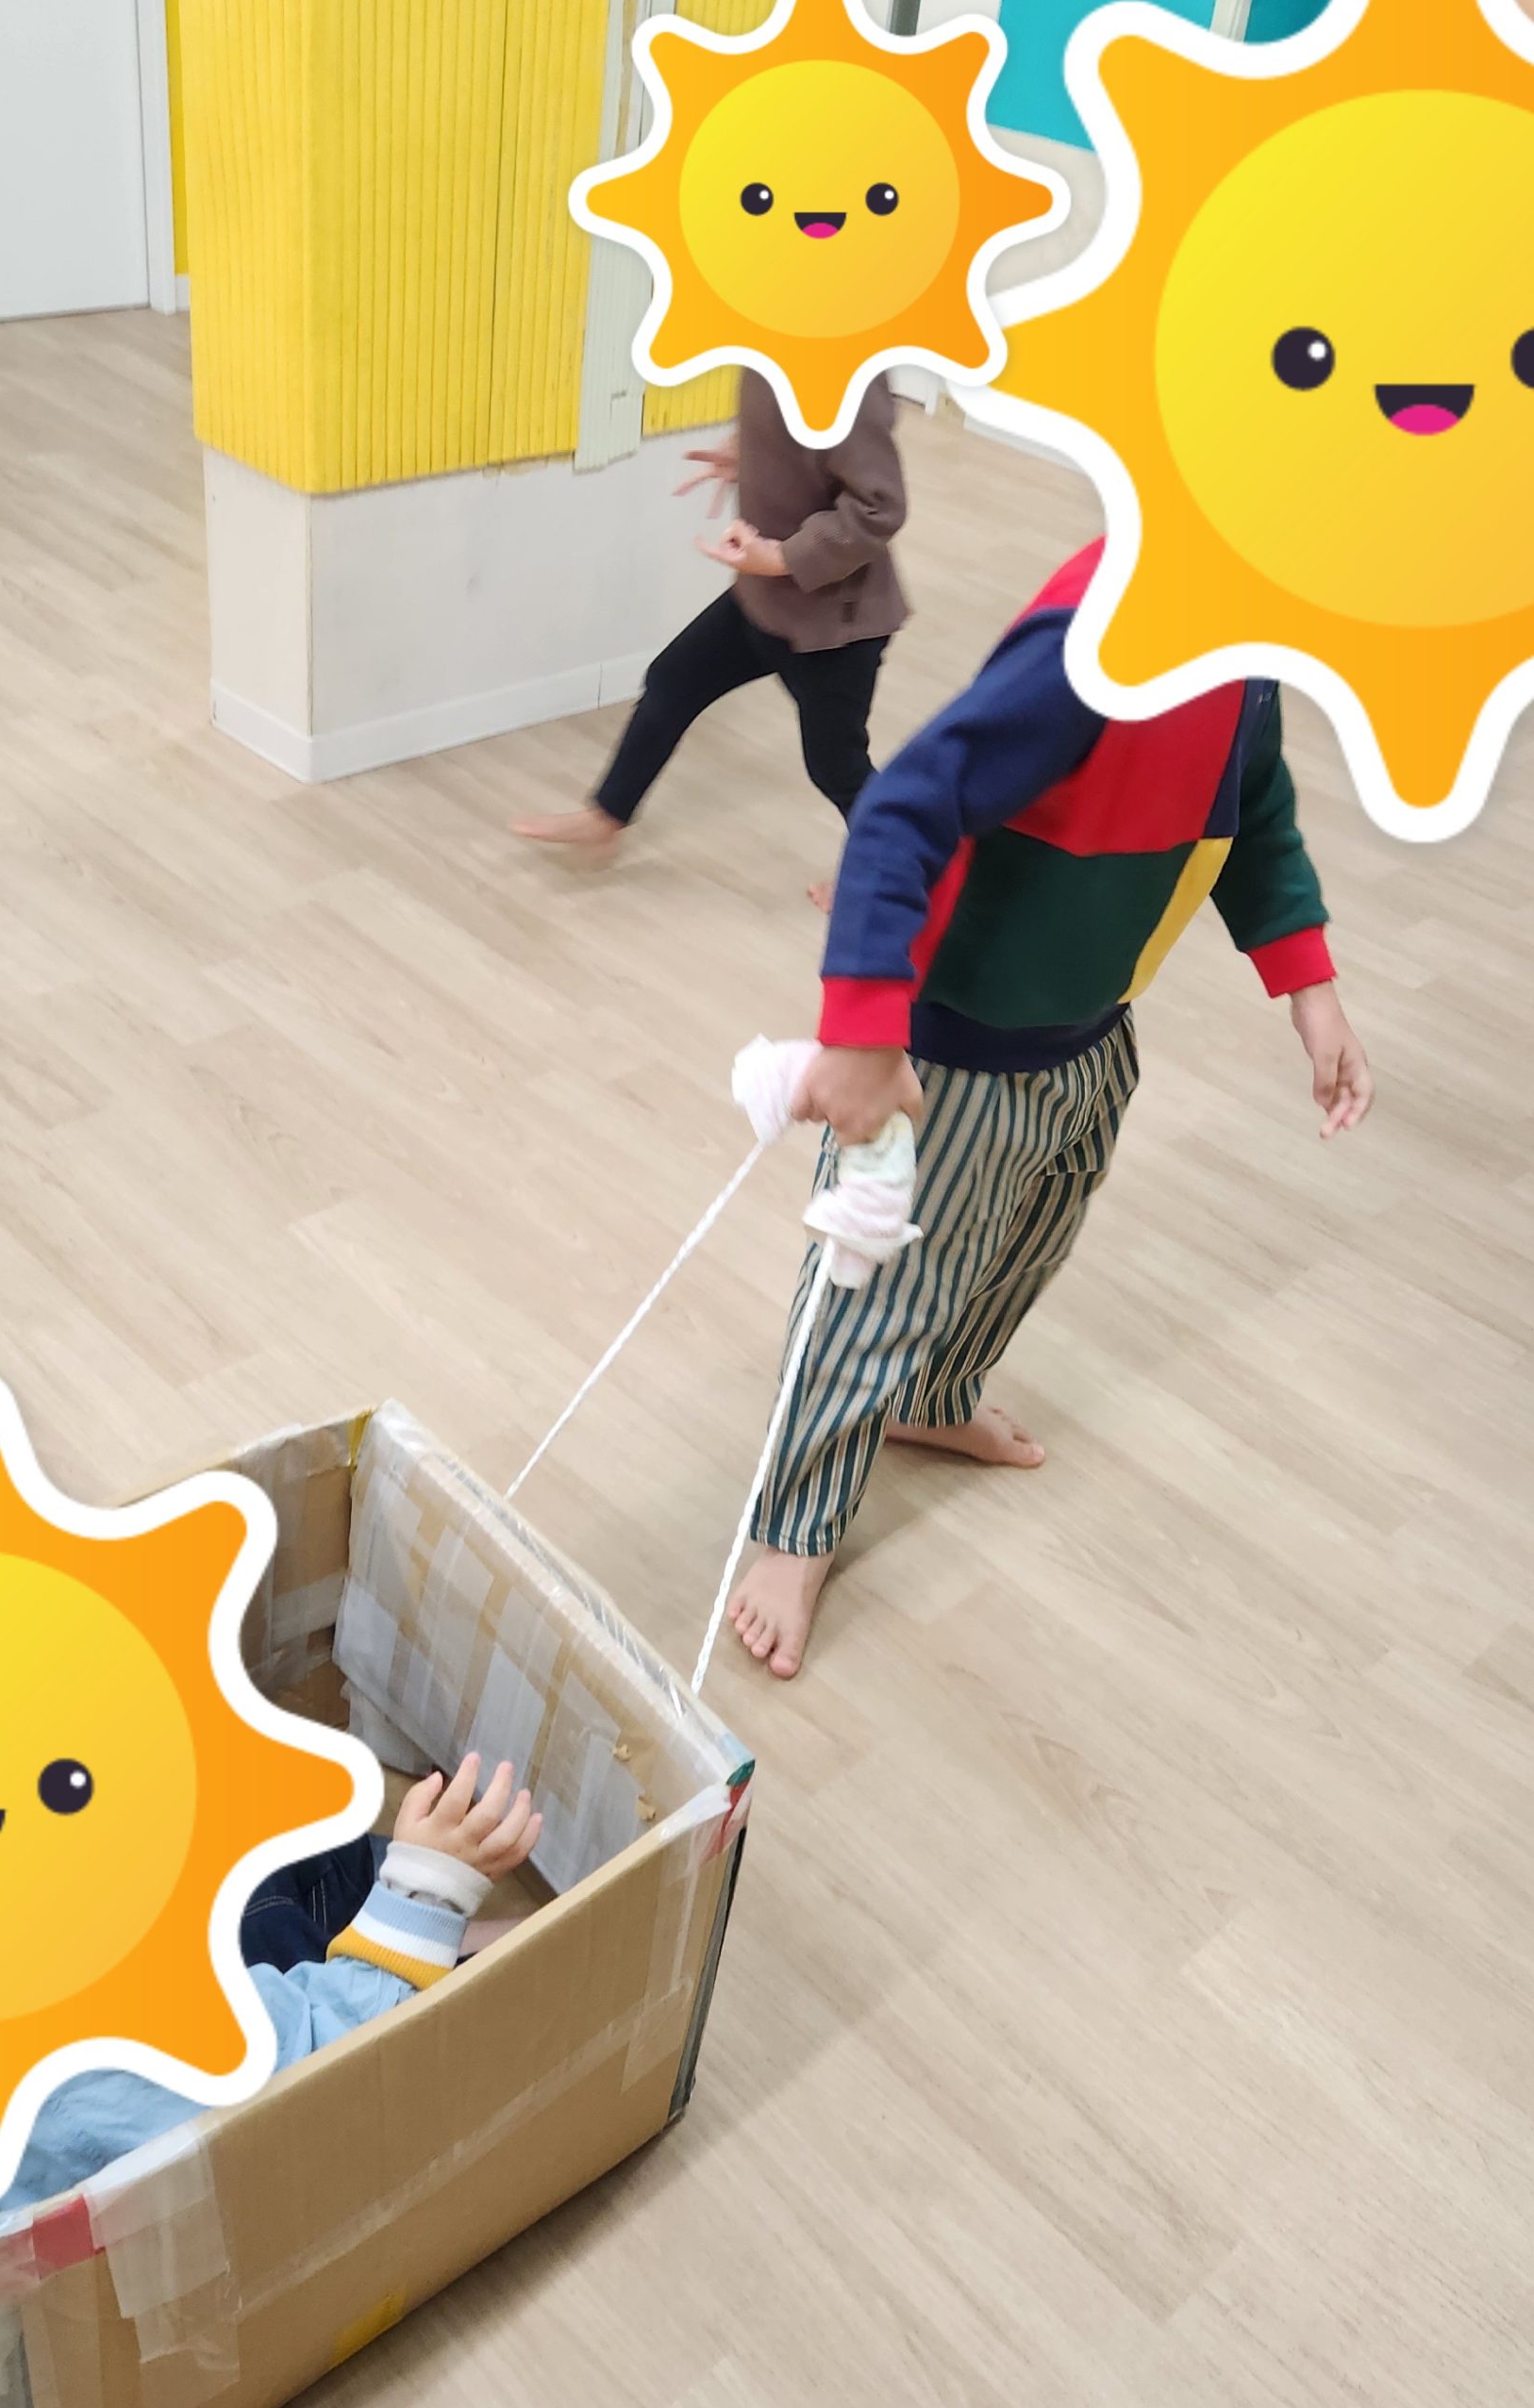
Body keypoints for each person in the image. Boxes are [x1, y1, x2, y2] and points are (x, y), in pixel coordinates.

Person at [727, 540, 1376, 1681]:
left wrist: (1308, 986)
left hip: (1091, 1028)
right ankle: (794, 1529)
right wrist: (867, 1034)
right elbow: (902, 810)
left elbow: (1257, 808)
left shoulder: (1249, 651)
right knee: (875, 1291)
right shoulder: (1099, 635)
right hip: (957, 1048)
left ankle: (931, 1397)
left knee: (1027, 1242)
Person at [0, 1756, 540, 2235]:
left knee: (257, 1850)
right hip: (297, 2066)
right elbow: (317, 2063)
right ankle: (425, 1936)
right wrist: (427, 1892)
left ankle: (407, 1918)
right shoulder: (62, 2065)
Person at [514, 370, 909, 898]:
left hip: (834, 627)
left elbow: (880, 507)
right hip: (763, 600)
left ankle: (887, 870)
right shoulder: (769, 355)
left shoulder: (849, 381)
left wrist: (785, 557)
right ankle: (607, 817)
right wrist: (747, 452)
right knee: (673, 680)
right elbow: (796, 439)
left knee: (836, 766)